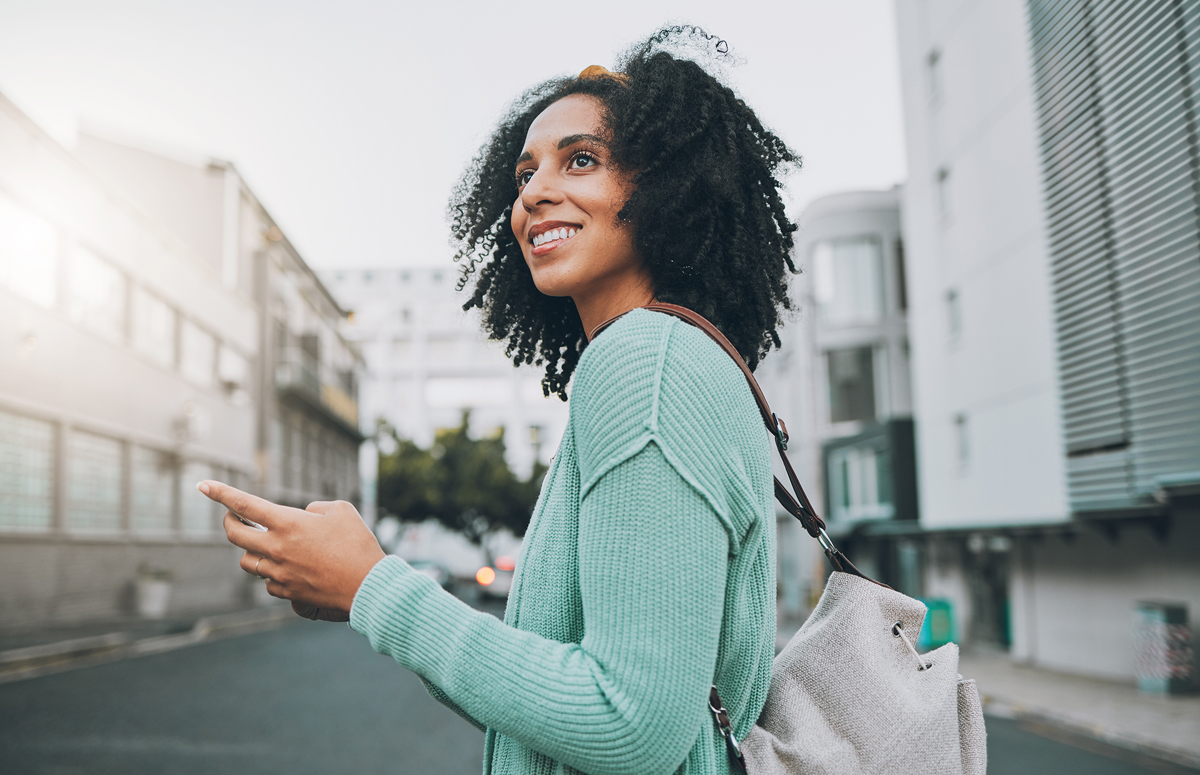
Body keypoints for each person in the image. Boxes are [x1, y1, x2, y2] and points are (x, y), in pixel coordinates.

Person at [198, 27, 800, 775]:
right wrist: (366, 592)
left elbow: (630, 724)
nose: (535, 192)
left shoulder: (646, 363)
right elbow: (549, 694)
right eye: (524, 174)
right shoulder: (681, 358)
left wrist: (372, 584)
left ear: (671, 184)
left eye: (581, 160)